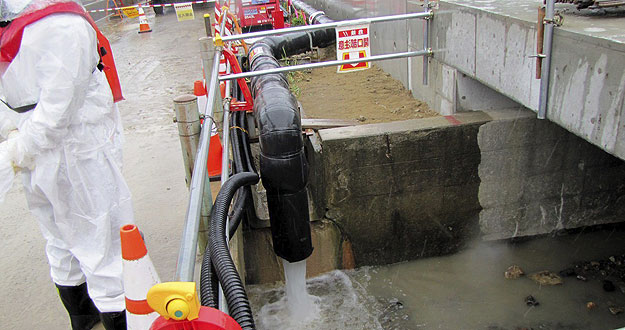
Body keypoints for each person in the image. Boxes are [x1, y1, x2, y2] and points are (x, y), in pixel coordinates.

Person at [0, 0, 132, 329]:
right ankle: (114, 319)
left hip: (33, 150)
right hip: (77, 150)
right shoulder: (60, 22)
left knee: (60, 238)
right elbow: (60, 106)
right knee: (102, 242)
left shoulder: (17, 27)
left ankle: (83, 319)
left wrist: (16, 143)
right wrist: (23, 145)